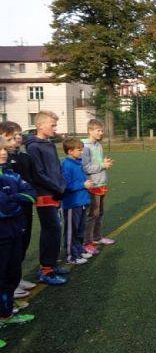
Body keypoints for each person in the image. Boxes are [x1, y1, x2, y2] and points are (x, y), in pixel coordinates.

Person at [25, 111, 69, 285]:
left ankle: (51, 264)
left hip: (56, 192)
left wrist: (61, 185)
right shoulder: (33, 146)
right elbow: (38, 174)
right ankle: (46, 270)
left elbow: (56, 168)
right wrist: (57, 187)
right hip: (45, 194)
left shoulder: (49, 144)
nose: (55, 128)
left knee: (56, 230)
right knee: (50, 230)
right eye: (52, 125)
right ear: (40, 125)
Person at [0, 137, 35, 339]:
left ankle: (6, 313)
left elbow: (30, 193)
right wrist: (16, 201)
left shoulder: (12, 174)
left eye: (5, 149)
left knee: (12, 274)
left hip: (14, 232)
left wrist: (13, 200)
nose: (4, 152)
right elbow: (5, 208)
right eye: (0, 149)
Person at [82, 119, 115, 256]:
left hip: (101, 183)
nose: (101, 133)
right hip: (92, 184)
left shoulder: (98, 145)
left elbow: (97, 163)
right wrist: (102, 166)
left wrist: (103, 162)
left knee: (99, 213)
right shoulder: (85, 146)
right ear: (90, 131)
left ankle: (97, 237)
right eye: (98, 131)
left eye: (102, 130)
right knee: (92, 214)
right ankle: (87, 242)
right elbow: (85, 167)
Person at [61, 138, 93, 265]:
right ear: (70, 151)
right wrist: (83, 185)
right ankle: (71, 256)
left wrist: (87, 184)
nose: (81, 153)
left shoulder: (78, 162)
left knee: (80, 229)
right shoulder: (66, 165)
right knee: (71, 231)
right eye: (79, 150)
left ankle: (79, 250)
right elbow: (66, 186)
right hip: (72, 204)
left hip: (82, 202)